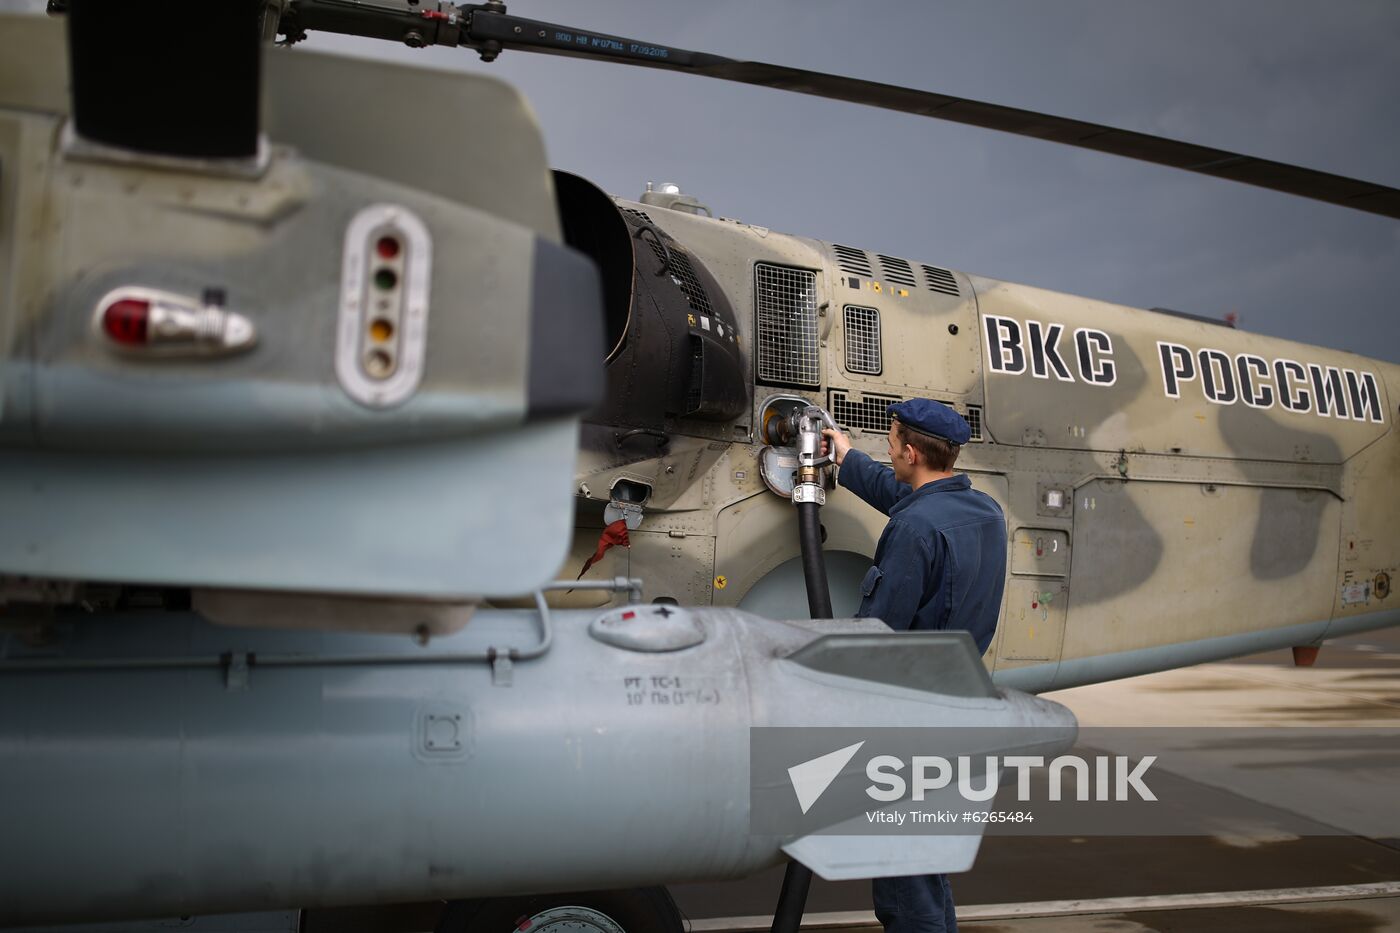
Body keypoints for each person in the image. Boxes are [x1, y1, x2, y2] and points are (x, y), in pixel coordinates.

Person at [822, 398, 1007, 933]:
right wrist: (847, 456)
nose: (888, 446)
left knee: (904, 888)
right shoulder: (983, 513)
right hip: (959, 707)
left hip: (909, 722)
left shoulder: (914, 532)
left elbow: (877, 638)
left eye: (892, 439)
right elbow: (907, 499)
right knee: (927, 871)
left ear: (908, 450)